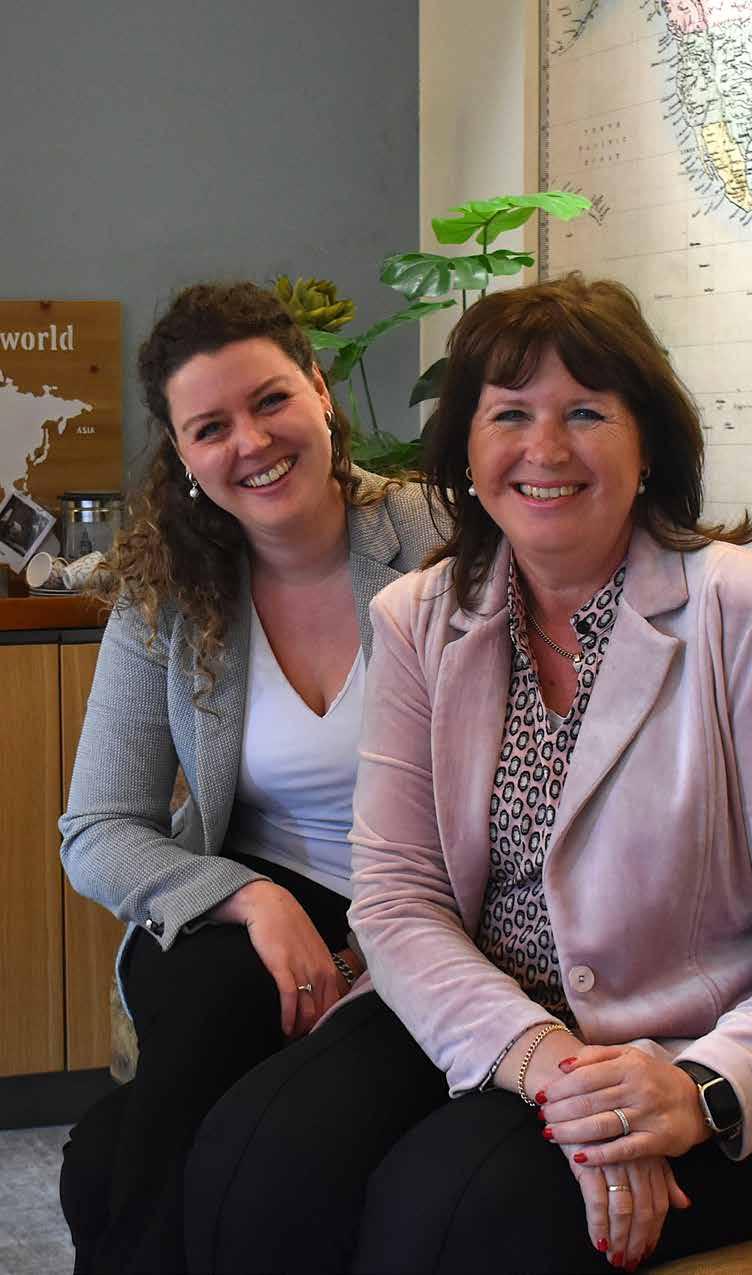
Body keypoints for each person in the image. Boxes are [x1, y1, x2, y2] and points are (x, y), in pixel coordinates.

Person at [184, 275, 752, 1273]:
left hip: (712, 1068)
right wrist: (548, 1064)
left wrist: (694, 1091)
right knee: (251, 1166)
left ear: (648, 446)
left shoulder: (751, 615)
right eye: (510, 414)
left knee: (448, 1212)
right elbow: (397, 898)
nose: (546, 449)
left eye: (586, 413)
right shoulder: (419, 618)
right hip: (486, 1019)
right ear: (466, 452)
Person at [57, 281, 447, 1275]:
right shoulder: (166, 591)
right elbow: (97, 828)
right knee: (214, 989)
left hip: (422, 907)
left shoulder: (436, 537)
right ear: (182, 454)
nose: (253, 442)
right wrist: (250, 897)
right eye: (211, 427)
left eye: (271, 399)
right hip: (242, 899)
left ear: (319, 389)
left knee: (104, 1160)